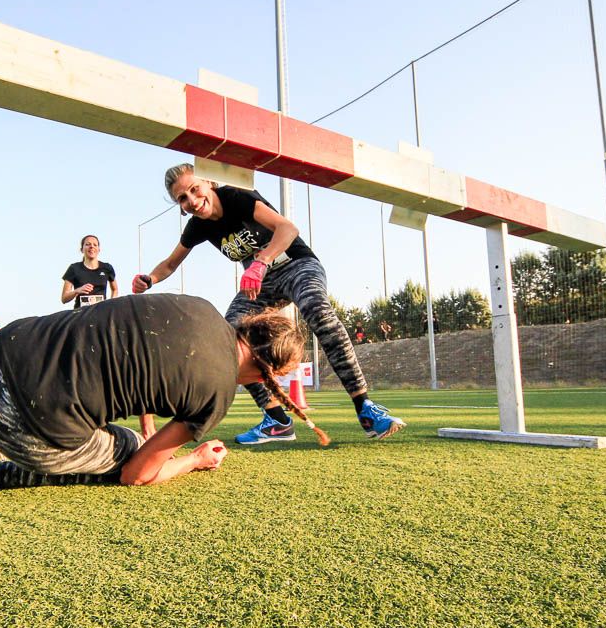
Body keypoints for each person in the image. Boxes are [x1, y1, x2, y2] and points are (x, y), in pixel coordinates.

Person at [0, 294, 326, 492]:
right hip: (26, 430)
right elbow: (138, 474)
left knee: (53, 388)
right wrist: (195, 460)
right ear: (267, 375)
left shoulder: (200, 307)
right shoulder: (217, 396)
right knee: (127, 448)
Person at [134, 163, 406, 444]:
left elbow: (287, 228)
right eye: (182, 198)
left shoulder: (237, 196)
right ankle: (277, 421)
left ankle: (365, 408)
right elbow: (170, 263)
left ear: (209, 184)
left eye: (194, 189)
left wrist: (261, 262)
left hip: (296, 265)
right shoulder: (198, 226)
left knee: (318, 312)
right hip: (261, 284)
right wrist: (150, 278)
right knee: (230, 339)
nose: (192, 200)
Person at [62, 234, 118, 309]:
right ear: (82, 249)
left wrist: (110, 303)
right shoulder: (74, 268)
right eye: (88, 244)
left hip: (101, 312)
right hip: (81, 314)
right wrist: (77, 291)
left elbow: (115, 289)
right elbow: (64, 298)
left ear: (99, 250)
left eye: (95, 245)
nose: (92, 246)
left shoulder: (107, 267)